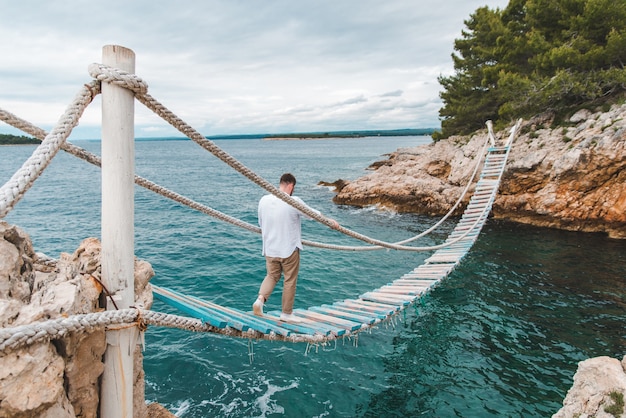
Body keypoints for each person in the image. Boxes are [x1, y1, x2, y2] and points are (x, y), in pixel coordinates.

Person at [252, 173, 339, 322]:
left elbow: (261, 223)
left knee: (272, 276)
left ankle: (260, 300)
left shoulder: (263, 200)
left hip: (270, 249)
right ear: (291, 186)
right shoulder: (293, 201)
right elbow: (313, 214)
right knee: (289, 280)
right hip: (288, 249)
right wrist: (330, 221)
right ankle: (286, 314)